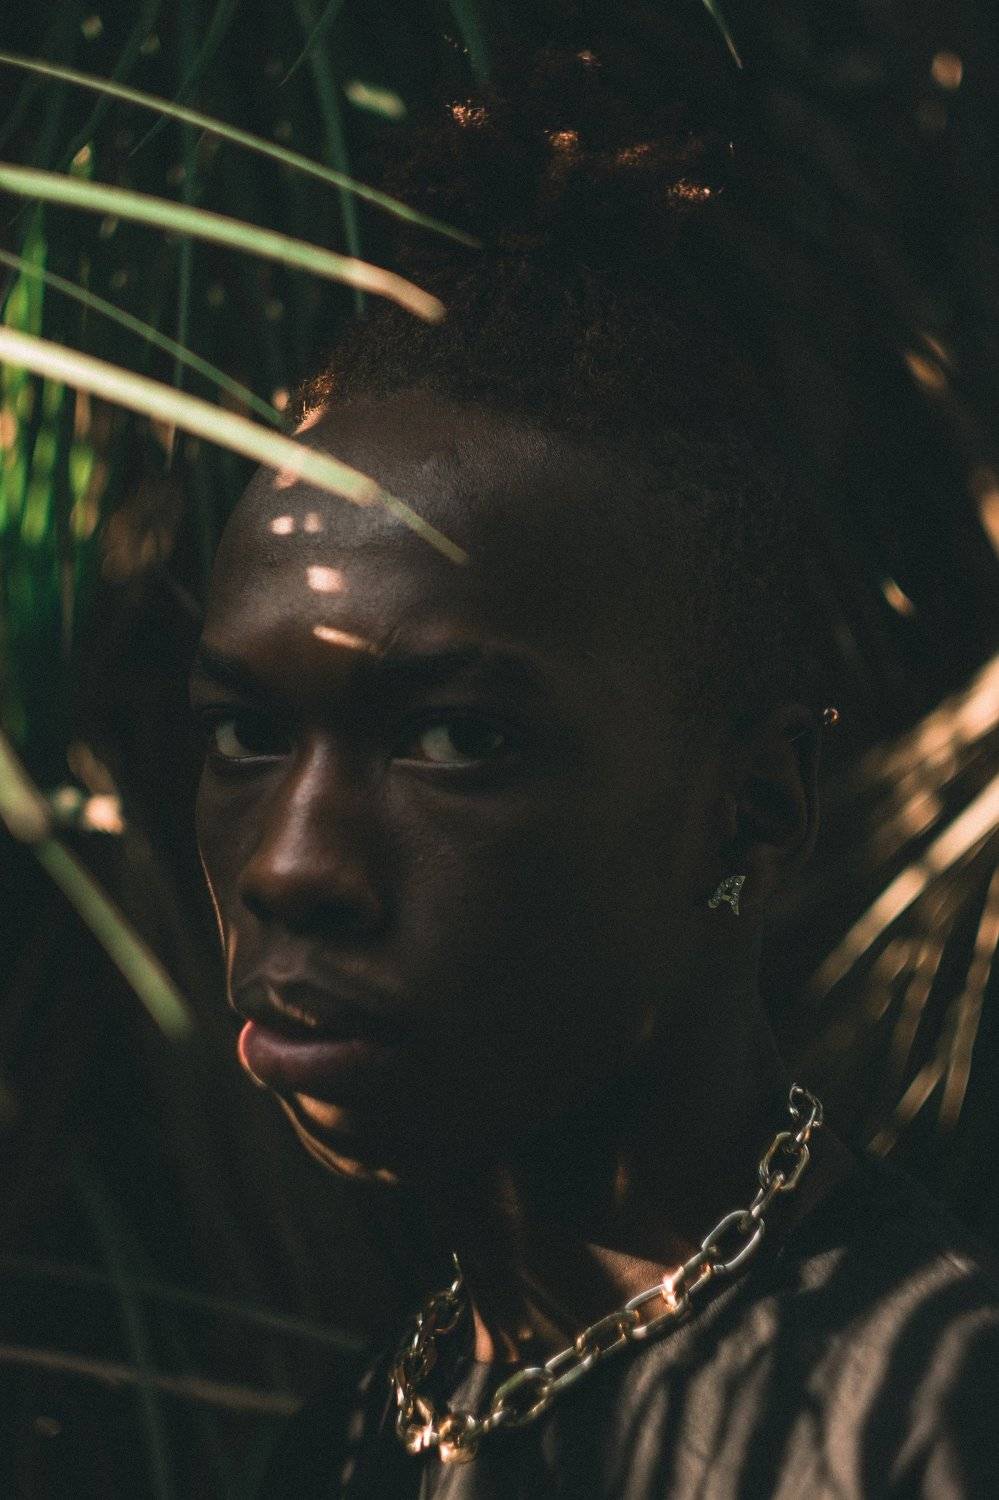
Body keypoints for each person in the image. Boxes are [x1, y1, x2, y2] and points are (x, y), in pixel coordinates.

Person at [190, 43, 999, 1498]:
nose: (291, 865)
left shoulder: (928, 1424)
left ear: (756, 810)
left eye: (458, 738)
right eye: (247, 731)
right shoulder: (358, 1442)